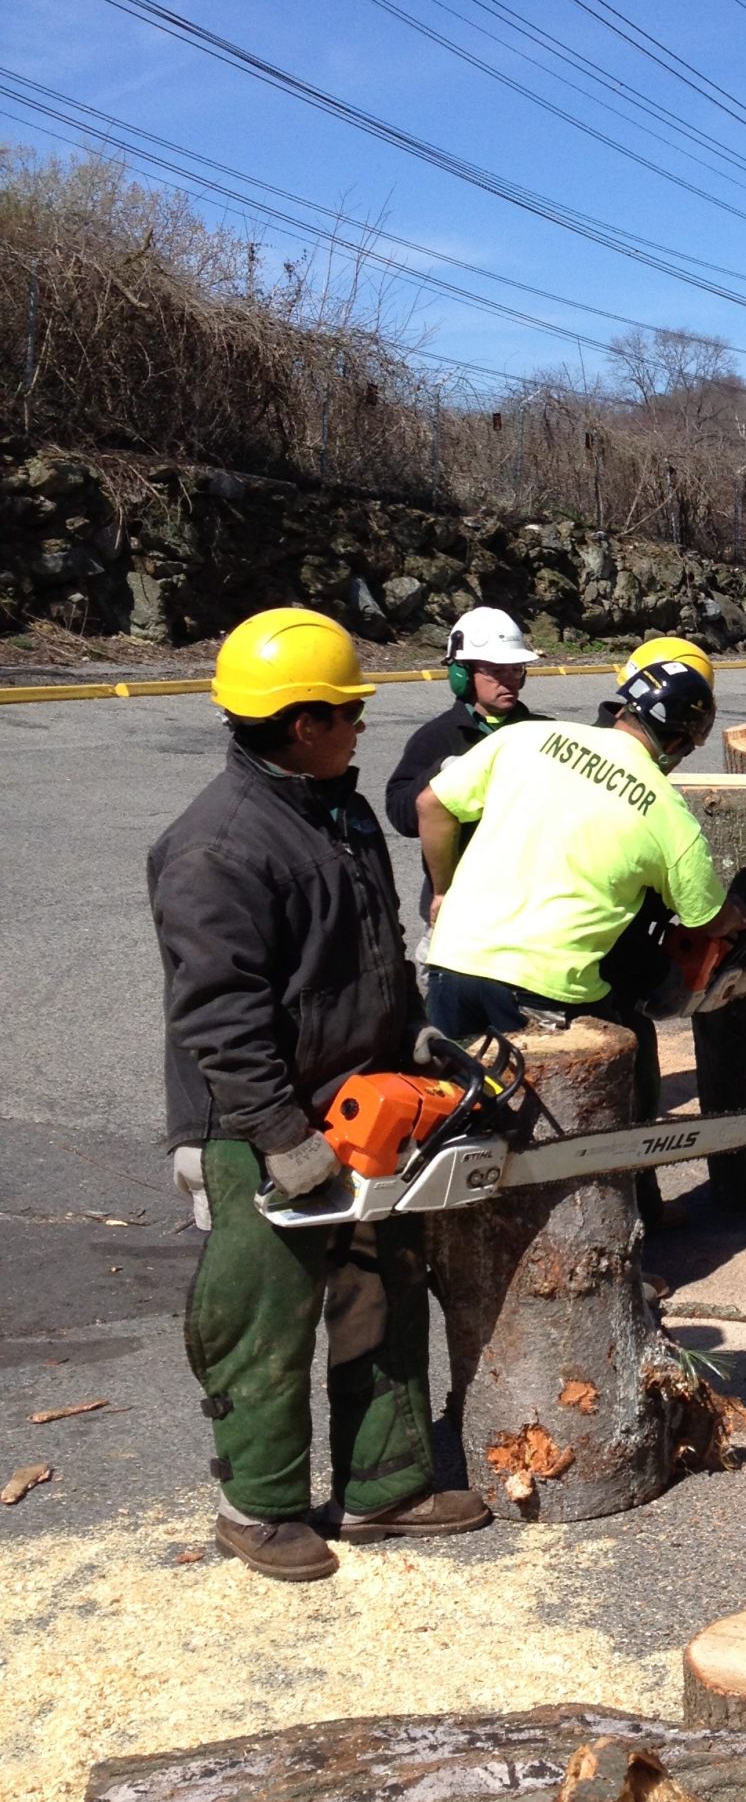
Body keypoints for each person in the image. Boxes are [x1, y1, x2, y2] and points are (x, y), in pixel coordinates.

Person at [148, 607, 487, 1584]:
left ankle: (386, 1484)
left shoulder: (332, 807)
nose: (359, 723)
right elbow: (218, 1017)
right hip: (261, 1123)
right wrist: (281, 1137)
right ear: (301, 722)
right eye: (346, 709)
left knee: (383, 1286)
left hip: (360, 1096)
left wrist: (410, 1031)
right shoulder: (217, 848)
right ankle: (258, 1506)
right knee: (265, 1310)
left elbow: (370, 942)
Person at [416, 640, 741, 1109]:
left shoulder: (525, 738)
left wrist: (442, 891)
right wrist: (737, 919)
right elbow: (704, 917)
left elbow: (431, 804)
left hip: (452, 964)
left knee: (451, 1119)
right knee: (561, 1133)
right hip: (543, 990)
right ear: (677, 742)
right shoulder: (666, 811)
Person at [384, 607, 544, 912]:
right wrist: (442, 771)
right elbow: (401, 815)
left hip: (528, 903)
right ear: (463, 673)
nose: (508, 680)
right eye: (496, 670)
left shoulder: (543, 731)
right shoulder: (437, 737)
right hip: (459, 907)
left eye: (516, 669)